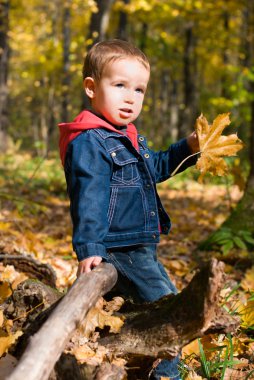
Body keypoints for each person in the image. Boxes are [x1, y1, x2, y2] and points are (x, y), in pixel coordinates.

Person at [59, 39, 199, 380]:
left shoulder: (129, 137)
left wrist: (189, 148)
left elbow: (160, 167)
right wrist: (90, 248)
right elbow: (88, 196)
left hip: (141, 247)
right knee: (171, 310)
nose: (130, 97)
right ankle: (166, 375)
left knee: (148, 306)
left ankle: (130, 362)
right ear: (91, 88)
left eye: (139, 89)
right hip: (120, 248)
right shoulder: (90, 140)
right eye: (119, 85)